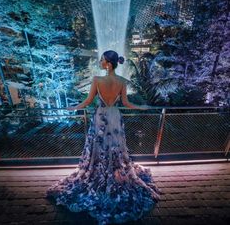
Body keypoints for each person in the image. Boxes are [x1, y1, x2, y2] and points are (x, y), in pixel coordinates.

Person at [46, 50, 160, 225]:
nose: (99, 62)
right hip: (114, 116)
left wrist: (72, 108)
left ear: (108, 63)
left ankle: (99, 169)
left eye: (102, 60)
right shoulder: (122, 81)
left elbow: (87, 101)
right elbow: (127, 104)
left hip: (101, 116)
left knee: (98, 146)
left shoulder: (97, 80)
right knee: (116, 146)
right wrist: (142, 107)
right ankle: (114, 169)